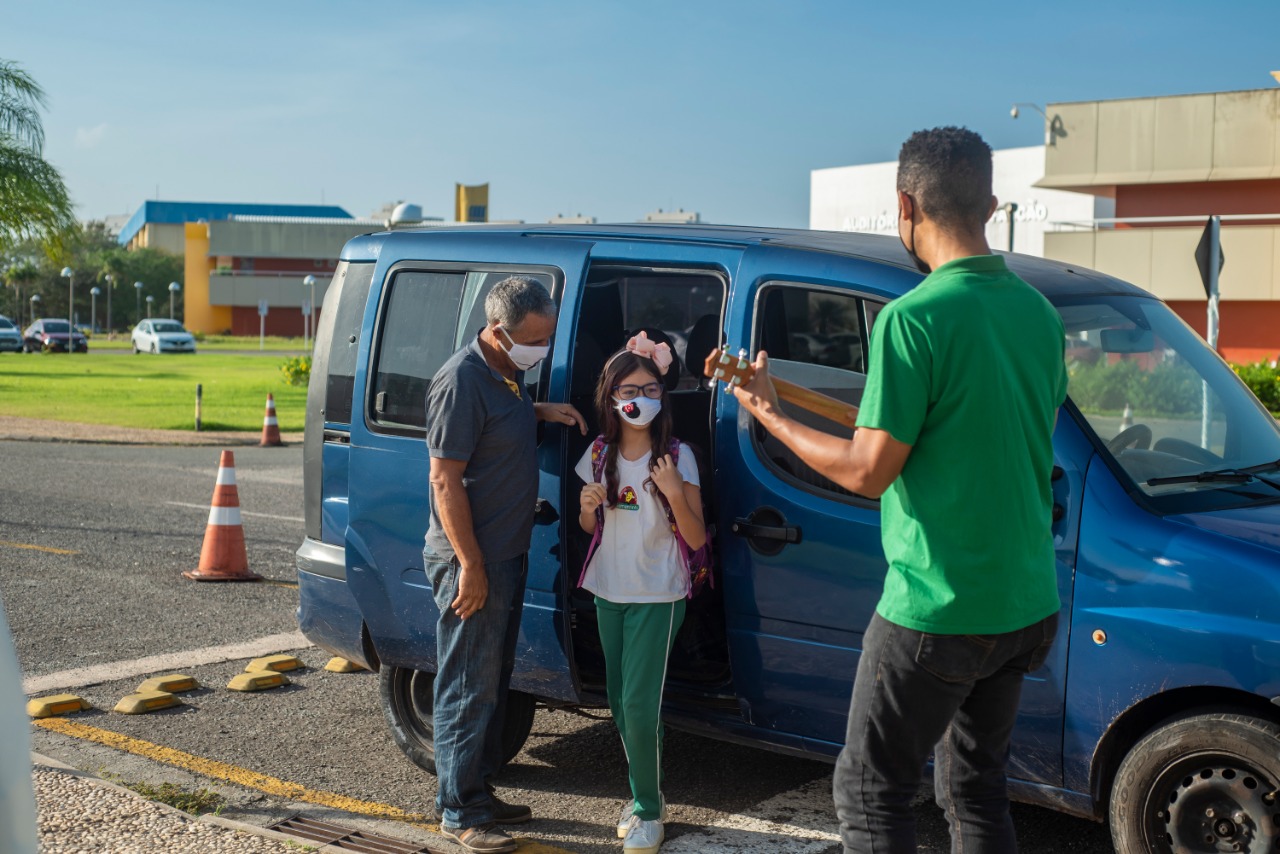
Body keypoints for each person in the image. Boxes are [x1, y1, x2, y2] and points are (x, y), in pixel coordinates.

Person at [724, 127, 1067, 853]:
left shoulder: (913, 318)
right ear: (993, 204)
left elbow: (867, 471)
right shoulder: (1036, 313)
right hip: (1025, 603)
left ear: (904, 206)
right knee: (976, 792)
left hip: (937, 604)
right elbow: (975, 431)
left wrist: (769, 413)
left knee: (871, 793)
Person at [424, 276, 585, 854]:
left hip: (504, 553)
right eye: (533, 341)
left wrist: (541, 409)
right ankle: (459, 811)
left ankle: (478, 793)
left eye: (546, 338)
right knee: (467, 684)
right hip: (472, 559)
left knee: (489, 681)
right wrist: (470, 564)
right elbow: (444, 478)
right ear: (497, 332)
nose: (541, 350)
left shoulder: (507, 375)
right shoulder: (462, 380)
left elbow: (496, 426)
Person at [576, 334, 707, 854]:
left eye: (651, 388)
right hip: (609, 589)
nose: (640, 398)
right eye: (630, 388)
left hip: (659, 592)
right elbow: (592, 528)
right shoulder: (599, 453)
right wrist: (588, 508)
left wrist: (674, 491)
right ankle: (640, 798)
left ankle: (650, 812)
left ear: (663, 395)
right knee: (618, 701)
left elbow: (696, 538)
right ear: (610, 395)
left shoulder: (677, 457)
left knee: (638, 703)